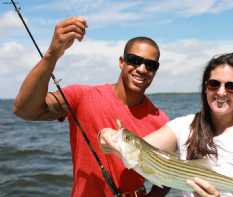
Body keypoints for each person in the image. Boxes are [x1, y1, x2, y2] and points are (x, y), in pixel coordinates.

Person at [13, 16, 170, 197]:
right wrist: (52, 54)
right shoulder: (82, 96)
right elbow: (23, 109)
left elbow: (167, 173)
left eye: (151, 65)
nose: (142, 69)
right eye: (134, 60)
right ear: (121, 62)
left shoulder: (161, 121)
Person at [99, 52, 233, 197]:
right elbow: (143, 147)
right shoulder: (183, 126)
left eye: (231, 86)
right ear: (205, 87)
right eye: (214, 84)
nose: (221, 92)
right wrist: (107, 136)